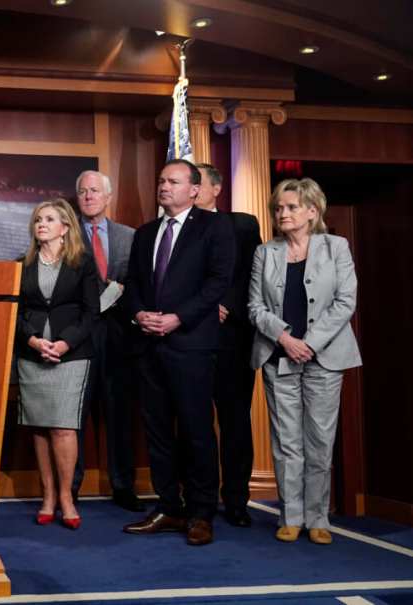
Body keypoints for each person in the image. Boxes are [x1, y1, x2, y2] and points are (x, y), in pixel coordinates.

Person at [122, 159, 234, 546]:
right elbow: (133, 282)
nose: (164, 186)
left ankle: (202, 513)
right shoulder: (146, 232)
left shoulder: (216, 227)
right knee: (157, 432)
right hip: (149, 347)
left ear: (194, 189)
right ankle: (169, 506)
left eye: (173, 181)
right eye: (161, 181)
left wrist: (177, 318)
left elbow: (218, 282)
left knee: (196, 430)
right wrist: (138, 313)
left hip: (191, 345)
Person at [247, 178, 360, 545]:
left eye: (291, 207)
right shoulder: (266, 253)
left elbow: (345, 301)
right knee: (286, 442)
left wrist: (307, 344)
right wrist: (284, 338)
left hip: (324, 358)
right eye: (278, 208)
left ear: (312, 211)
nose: (283, 213)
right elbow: (255, 308)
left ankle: (318, 517)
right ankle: (290, 515)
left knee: (319, 440)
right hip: (278, 357)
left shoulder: (336, 247)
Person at [15, 199, 99, 530]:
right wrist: (34, 341)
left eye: (49, 219)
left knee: (63, 426)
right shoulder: (22, 265)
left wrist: (64, 343)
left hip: (72, 355)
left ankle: (66, 497)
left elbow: (91, 312)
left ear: (65, 228)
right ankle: (47, 496)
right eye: (37, 219)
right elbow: (17, 311)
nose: (41, 224)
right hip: (33, 355)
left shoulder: (83, 263)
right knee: (40, 425)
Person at [69, 169, 143, 513]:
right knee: (73, 417)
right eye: (83, 191)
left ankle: (123, 485)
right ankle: (70, 487)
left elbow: (140, 284)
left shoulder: (130, 236)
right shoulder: (65, 235)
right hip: (79, 340)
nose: (88, 196)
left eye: (94, 191)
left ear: (108, 196)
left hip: (119, 340)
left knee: (119, 416)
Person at [194, 163, 262, 528]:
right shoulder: (177, 230)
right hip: (191, 339)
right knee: (194, 423)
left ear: (216, 188)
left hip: (233, 338)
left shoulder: (242, 225)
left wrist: (227, 305)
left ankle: (236, 499)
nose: (190, 188)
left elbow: (255, 272)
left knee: (235, 422)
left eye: (198, 182)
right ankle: (199, 498)